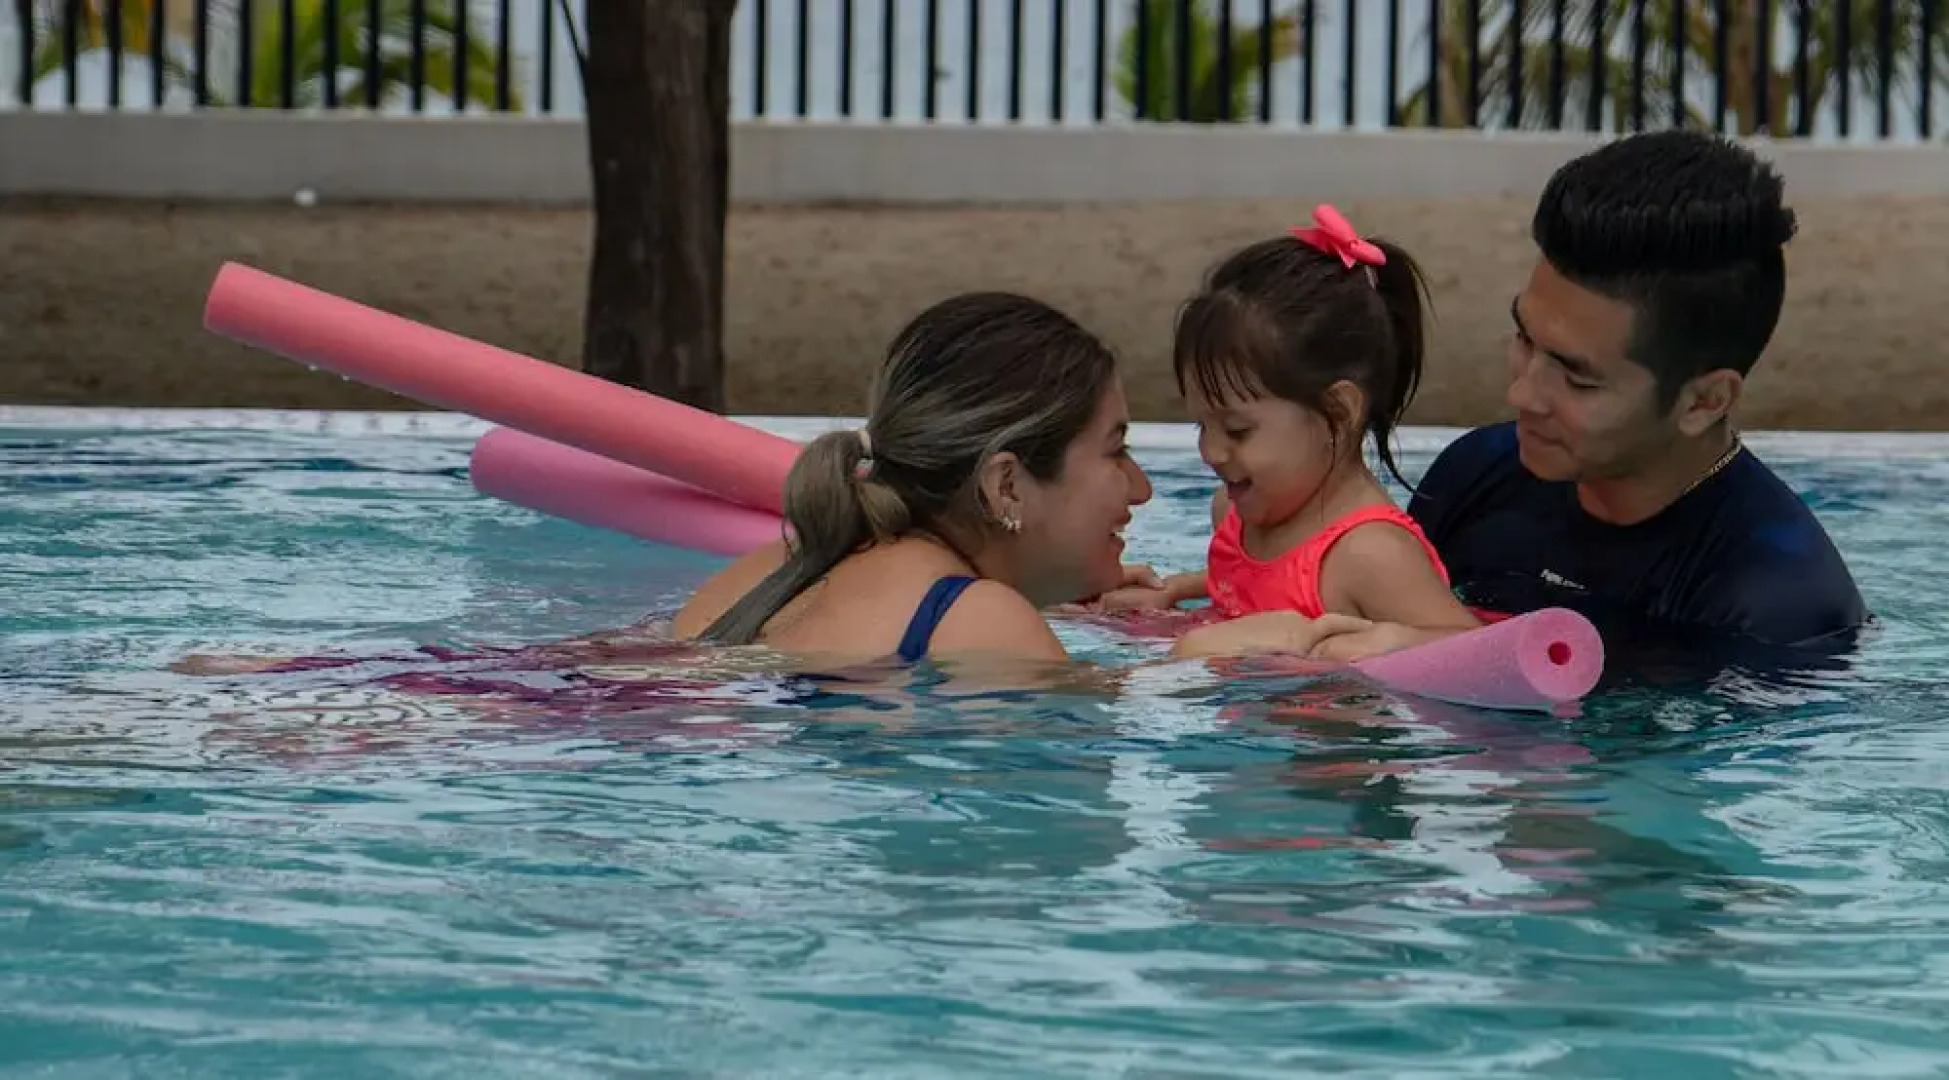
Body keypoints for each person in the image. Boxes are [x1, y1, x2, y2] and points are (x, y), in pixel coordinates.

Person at [669, 290, 1368, 667]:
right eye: (1114, 451)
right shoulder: (977, 620)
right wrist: (1196, 661)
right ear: (1006, 486)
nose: (1140, 489)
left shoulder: (777, 566)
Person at [1405, 129, 1867, 651]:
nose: (1523, 396)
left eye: (1577, 378)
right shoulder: (1475, 474)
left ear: (1704, 401)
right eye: (1525, 339)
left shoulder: (1776, 610)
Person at [1087, 205, 1481, 661]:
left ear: (1339, 411)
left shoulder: (1370, 555)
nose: (1210, 451)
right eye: (1201, 424)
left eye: (1237, 430)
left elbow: (1482, 656)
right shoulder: (1236, 515)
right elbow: (1263, 587)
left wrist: (1375, 647)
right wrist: (1180, 590)